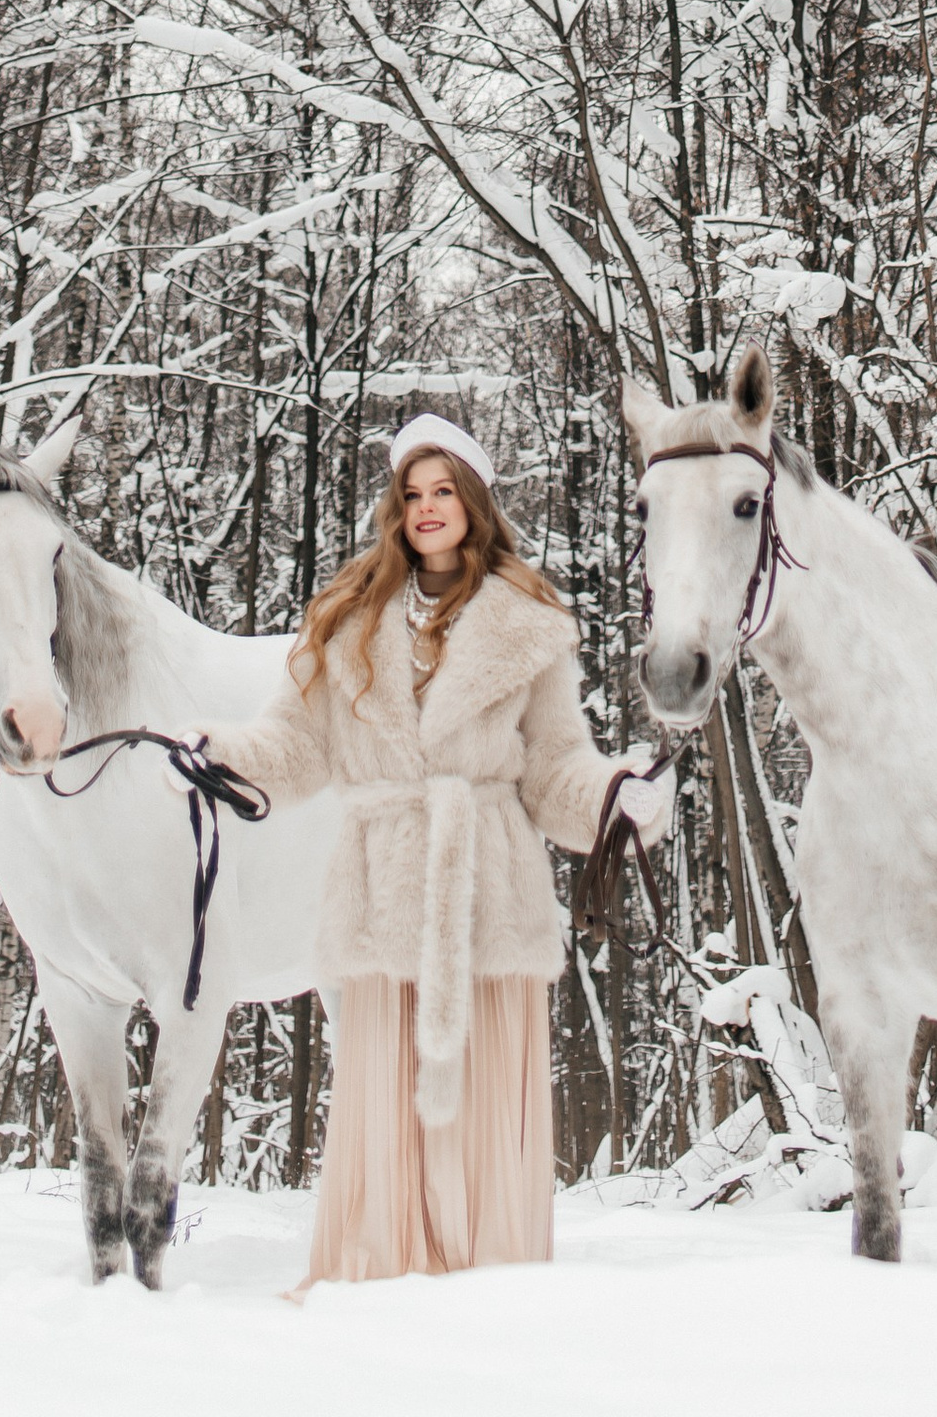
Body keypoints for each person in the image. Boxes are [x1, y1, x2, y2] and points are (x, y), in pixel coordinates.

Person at [203, 411, 672, 1281]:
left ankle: (490, 1279)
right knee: (385, 1100)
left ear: (474, 501)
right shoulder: (347, 618)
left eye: (443, 491)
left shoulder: (528, 622)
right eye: (411, 494)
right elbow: (296, 749)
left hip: (487, 895)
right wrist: (217, 757)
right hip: (382, 896)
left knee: (489, 1103)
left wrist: (615, 800)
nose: (426, 509)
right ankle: (380, 1275)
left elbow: (554, 771)